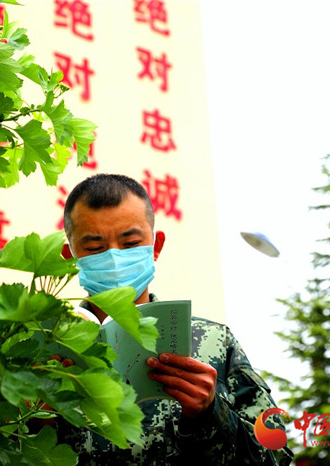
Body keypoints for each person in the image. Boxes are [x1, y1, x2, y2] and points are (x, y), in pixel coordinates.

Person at [58, 173, 294, 465]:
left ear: (155, 246)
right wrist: (33, 422)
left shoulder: (213, 344)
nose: (114, 259)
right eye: (95, 248)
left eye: (130, 243)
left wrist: (210, 413)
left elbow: (275, 456)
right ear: (70, 256)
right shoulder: (40, 352)